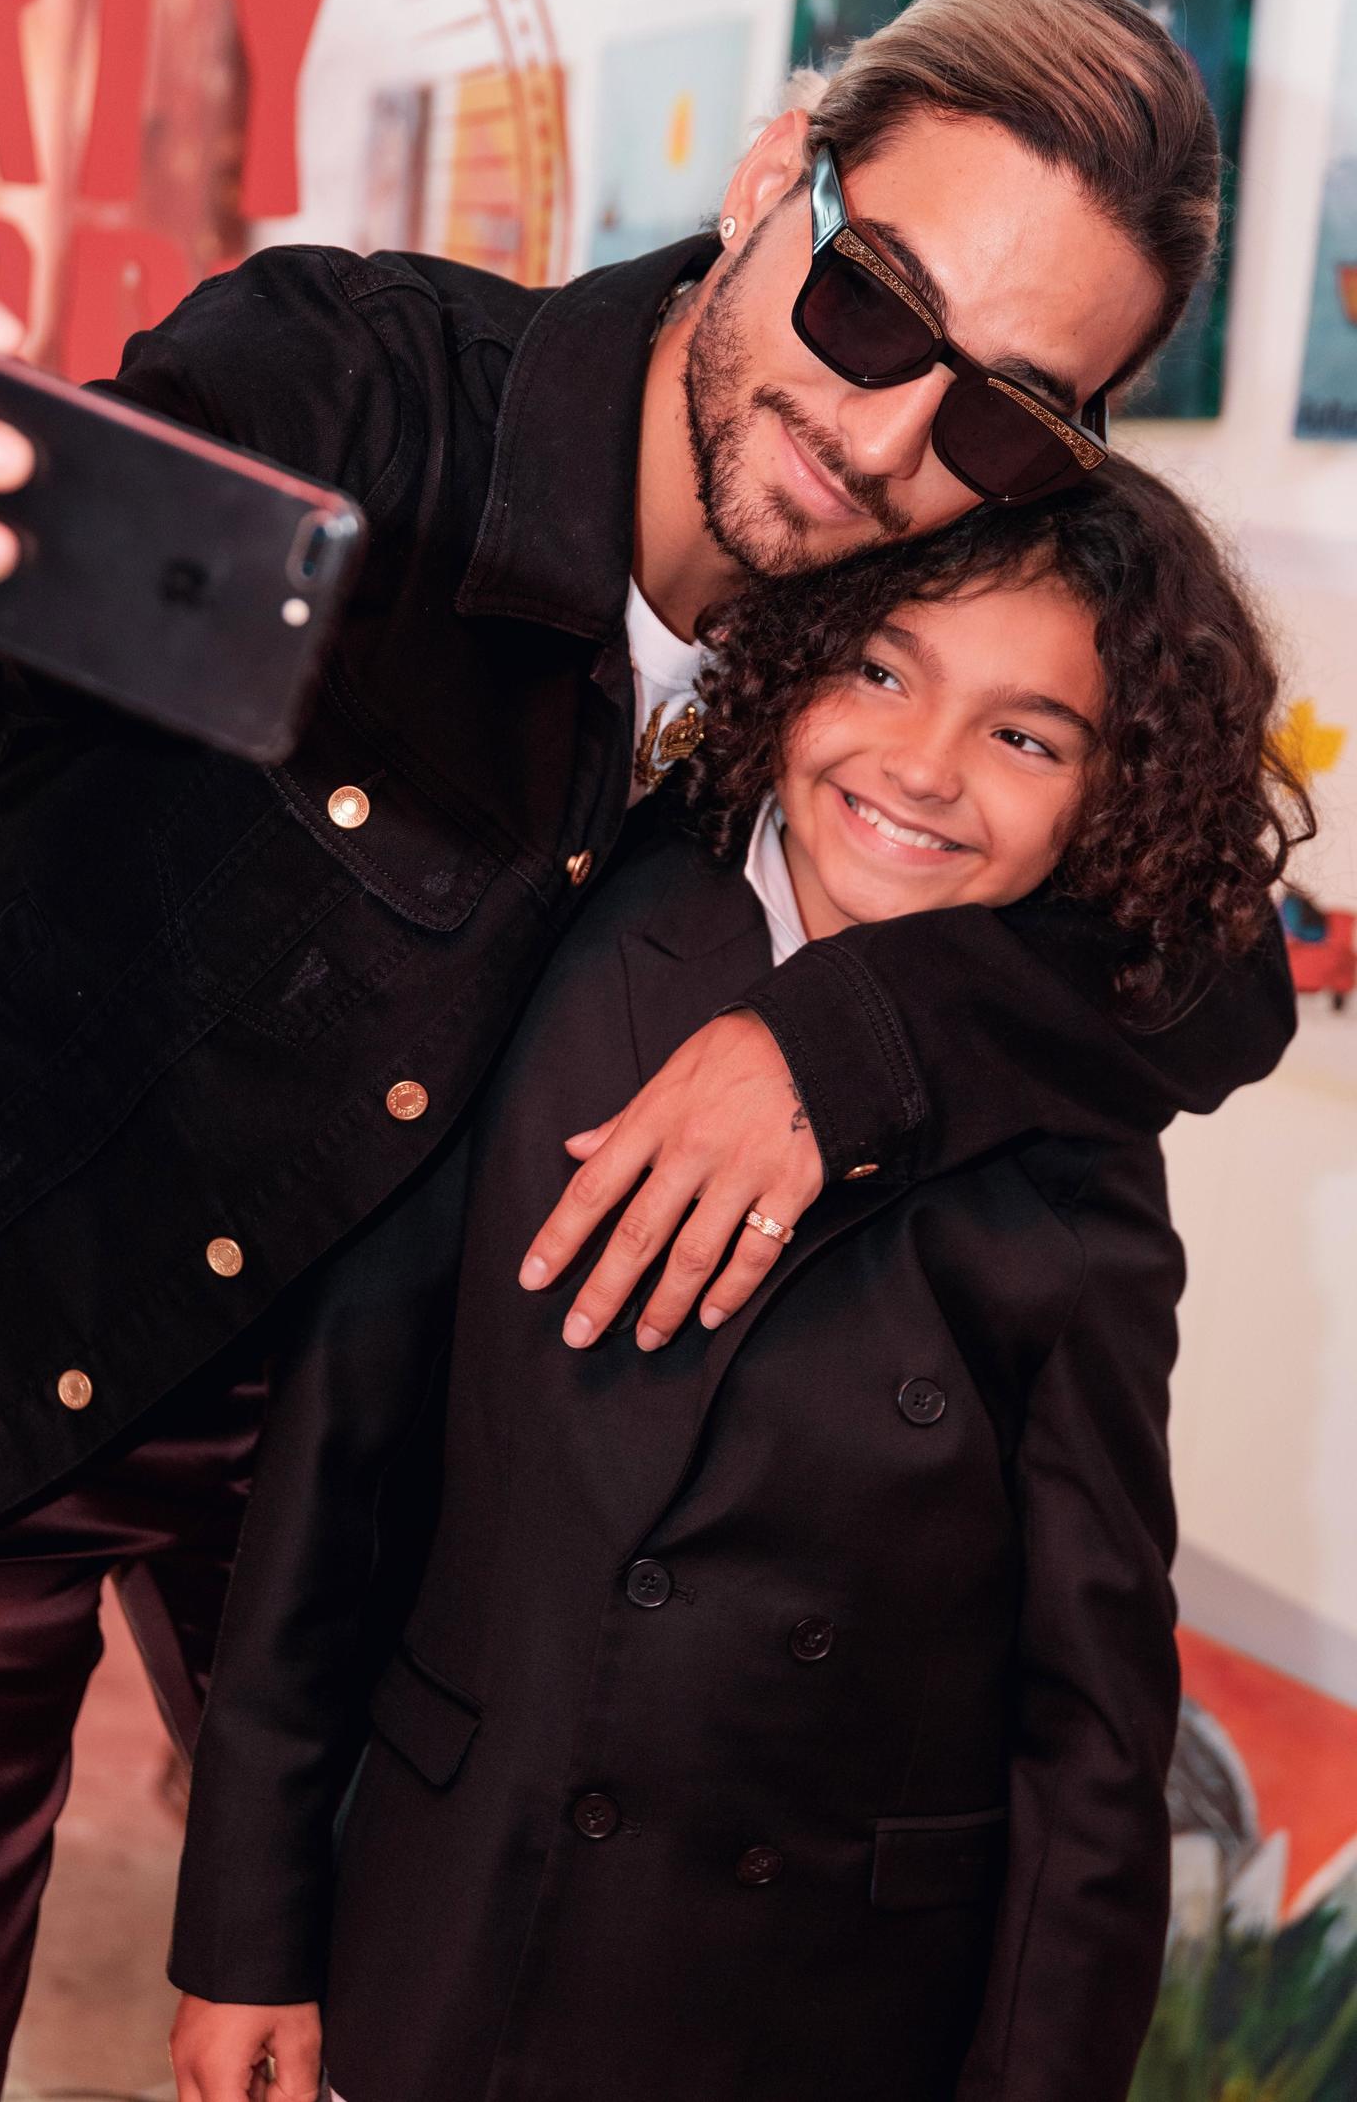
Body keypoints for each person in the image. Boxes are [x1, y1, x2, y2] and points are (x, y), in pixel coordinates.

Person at [0, 0, 1293, 2098]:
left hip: (326, 1461)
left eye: (1006, 415)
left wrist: (847, 1040)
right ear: (772, 177)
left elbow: (1209, 959)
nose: (882, 438)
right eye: (869, 308)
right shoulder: (348, 389)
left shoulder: (889, 608)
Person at [167, 462, 1311, 2102]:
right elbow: (336, 1463)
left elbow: (1090, 1727)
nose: (922, 766)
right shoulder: (558, 938)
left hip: (813, 2018)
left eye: (1027, 735)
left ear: (1110, 800)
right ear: (791, 653)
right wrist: (247, 1928)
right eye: (883, 668)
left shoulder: (1081, 1164)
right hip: (444, 1936)